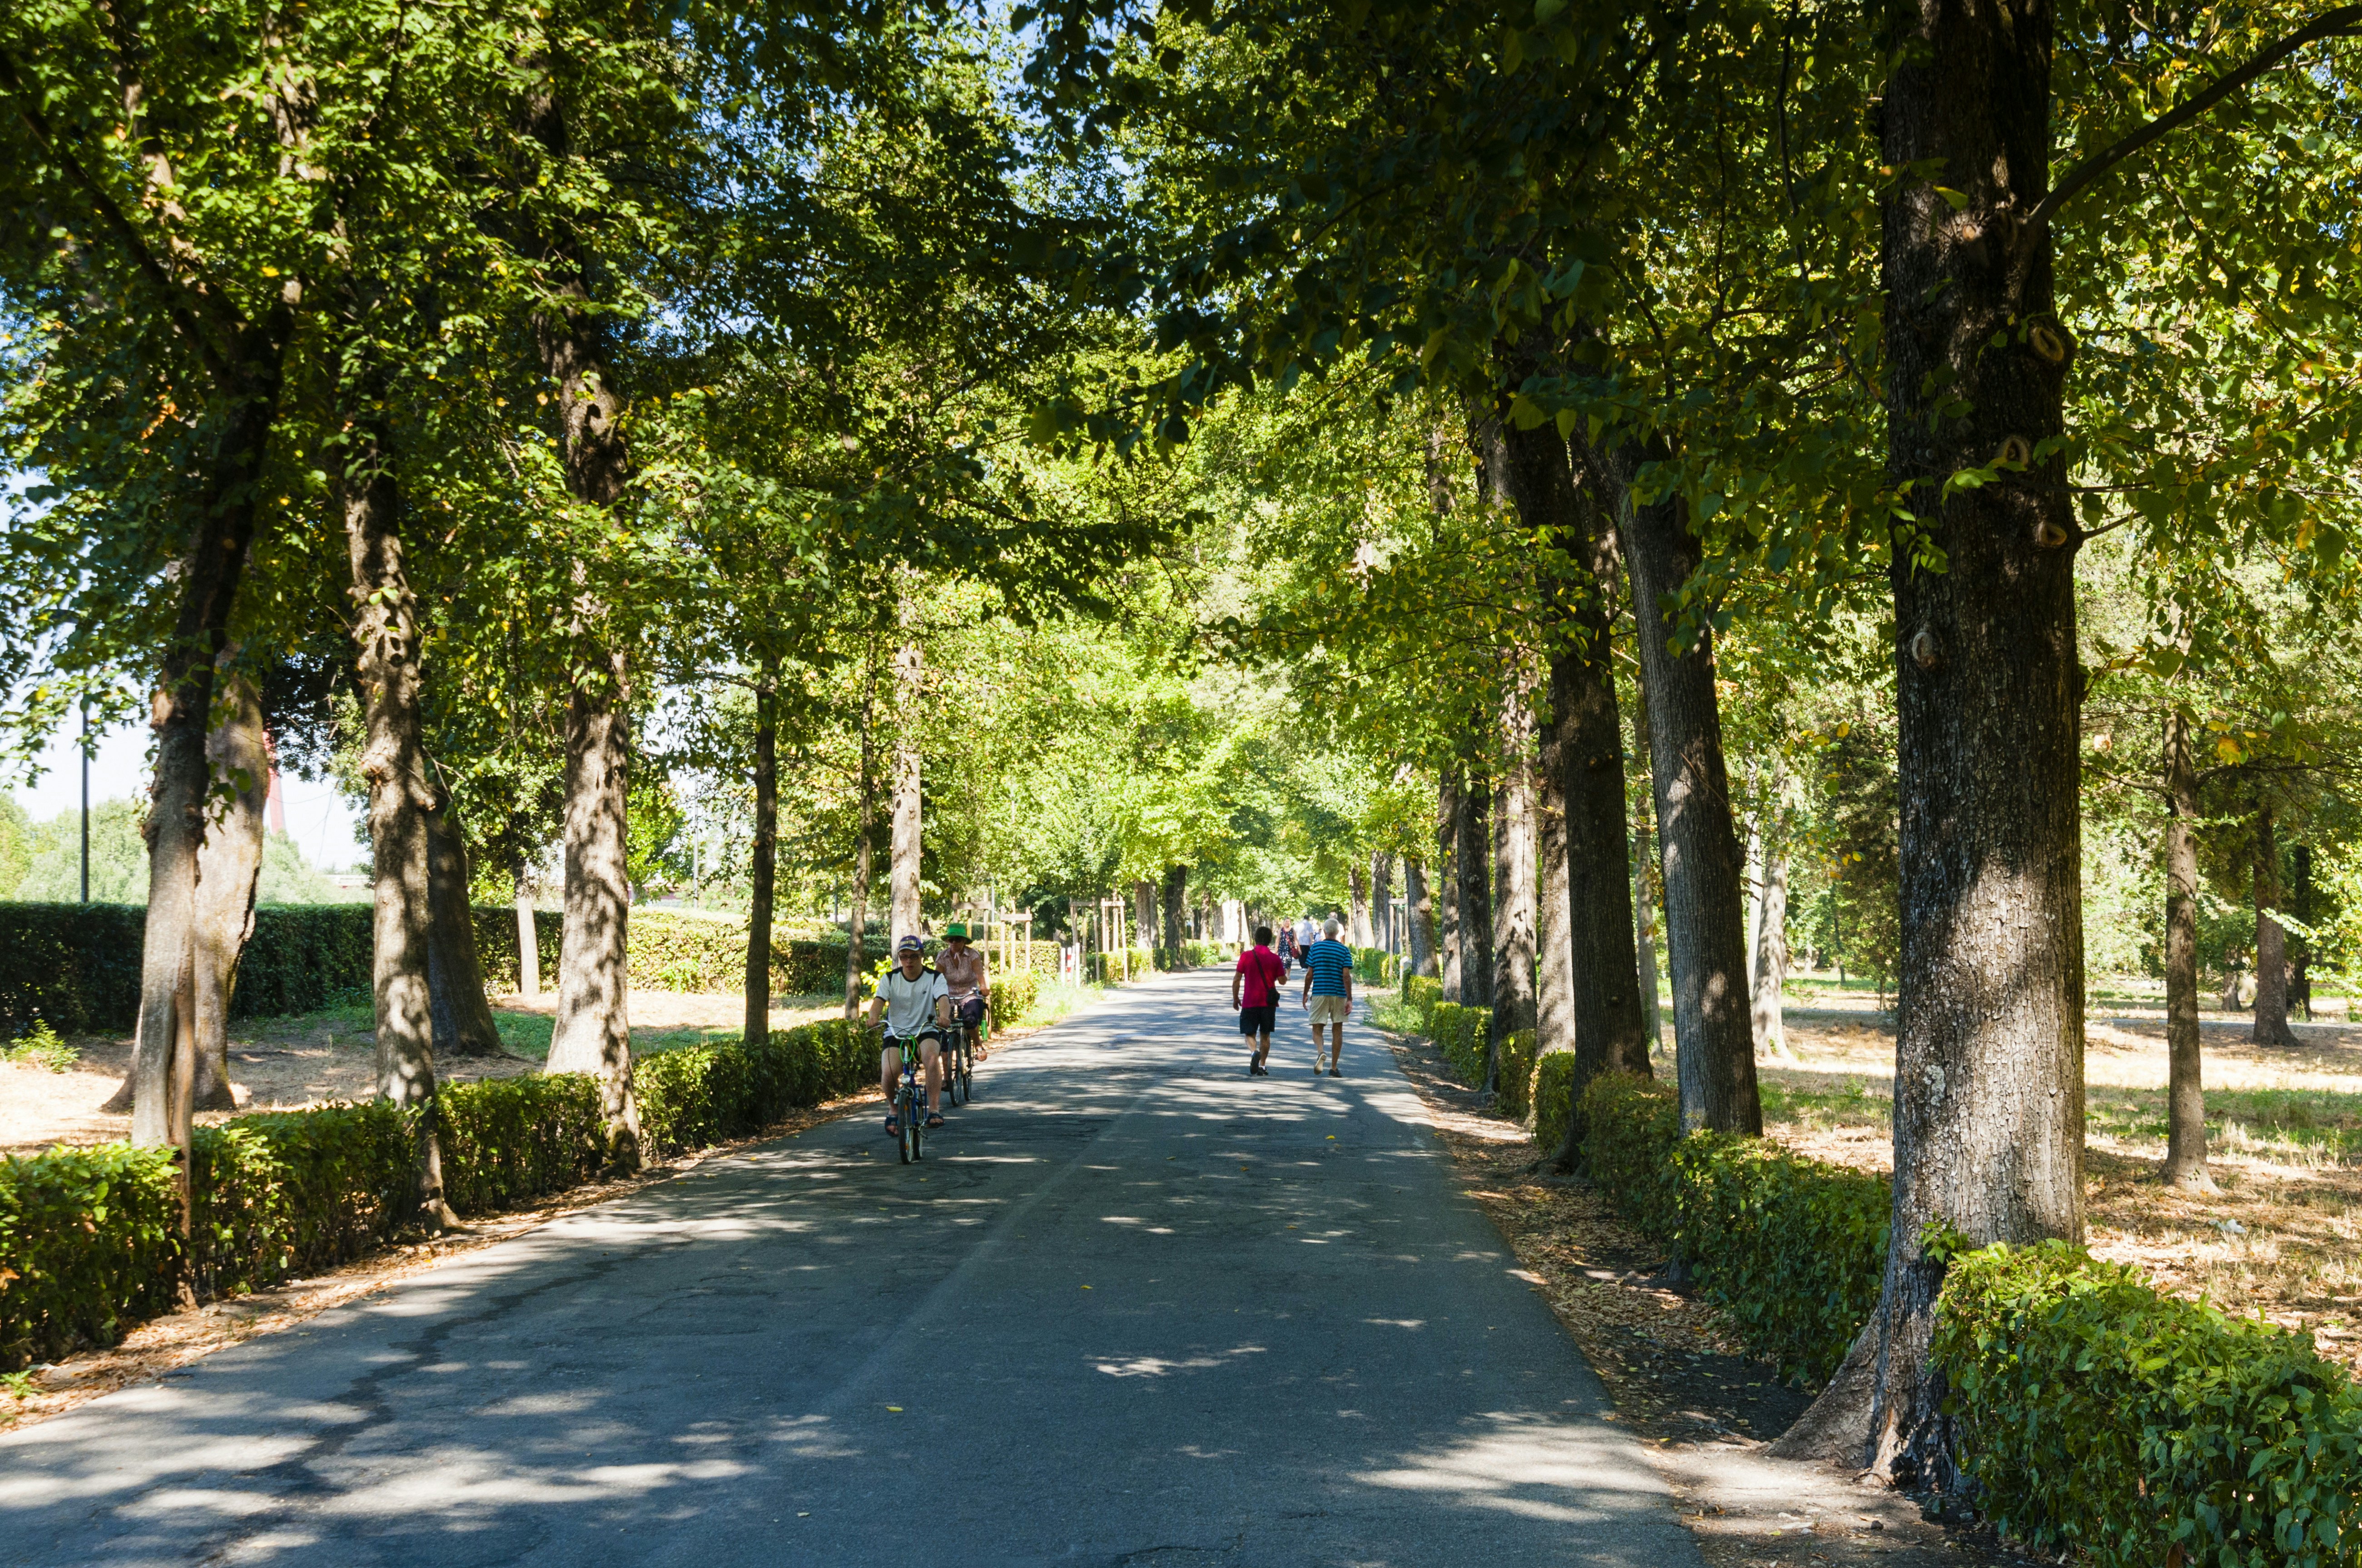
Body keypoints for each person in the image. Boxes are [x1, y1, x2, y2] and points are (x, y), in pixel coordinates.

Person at [868, 935, 951, 1133]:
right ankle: (894, 1109)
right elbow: (879, 1001)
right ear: (899, 958)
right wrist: (873, 1017)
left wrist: (945, 1017)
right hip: (896, 1032)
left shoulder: (934, 977)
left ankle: (934, 1109)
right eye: (904, 957)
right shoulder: (890, 978)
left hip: (925, 1029)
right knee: (888, 1072)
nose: (908, 961)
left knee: (931, 1060)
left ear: (922, 955)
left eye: (913, 957)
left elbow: (943, 999)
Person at [1299, 916, 1355, 1077]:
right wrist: (1349, 998)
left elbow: (1310, 974)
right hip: (1339, 995)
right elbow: (1346, 976)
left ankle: (1321, 1052)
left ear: (1324, 932)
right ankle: (1334, 1067)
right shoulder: (1344, 950)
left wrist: (1305, 993)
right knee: (1338, 1030)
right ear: (1338, 933)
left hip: (1320, 993)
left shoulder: (1316, 949)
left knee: (1317, 1029)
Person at [1232, 926, 1287, 1075]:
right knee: (1265, 1035)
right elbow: (1283, 981)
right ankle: (1262, 1066)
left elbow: (1237, 979)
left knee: (1250, 1034)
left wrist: (1236, 998)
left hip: (1250, 1002)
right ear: (1270, 940)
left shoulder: (1246, 956)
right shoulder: (1275, 959)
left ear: (1255, 938)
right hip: (1268, 1004)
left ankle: (1253, 1052)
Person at [938, 920, 991, 1057]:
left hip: (969, 994)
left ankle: (978, 1044)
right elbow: (937, 978)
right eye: (951, 940)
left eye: (958, 940)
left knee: (970, 1019)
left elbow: (979, 974)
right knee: (943, 1028)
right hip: (948, 996)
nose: (954, 943)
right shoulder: (942, 956)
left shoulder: (973, 955)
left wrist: (983, 987)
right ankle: (947, 1075)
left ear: (964, 942)